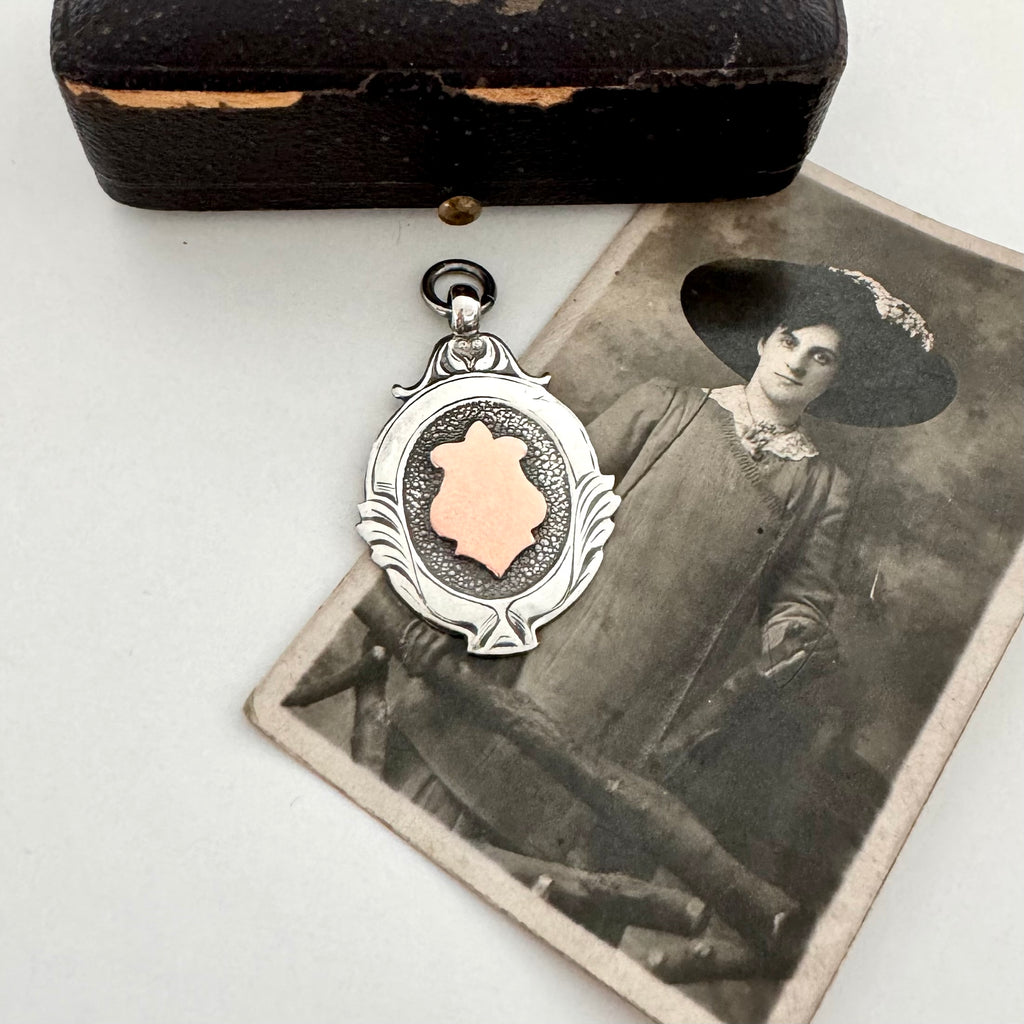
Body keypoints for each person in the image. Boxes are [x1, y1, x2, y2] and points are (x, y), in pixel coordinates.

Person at [382, 259, 957, 916]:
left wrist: (794, 633)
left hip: (645, 707)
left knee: (552, 864)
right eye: (790, 341)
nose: (797, 363)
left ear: (836, 380)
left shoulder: (823, 488)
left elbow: (801, 592)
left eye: (821, 358)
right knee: (428, 826)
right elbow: (538, 509)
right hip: (543, 654)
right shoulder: (665, 407)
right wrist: (466, 612)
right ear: (765, 340)